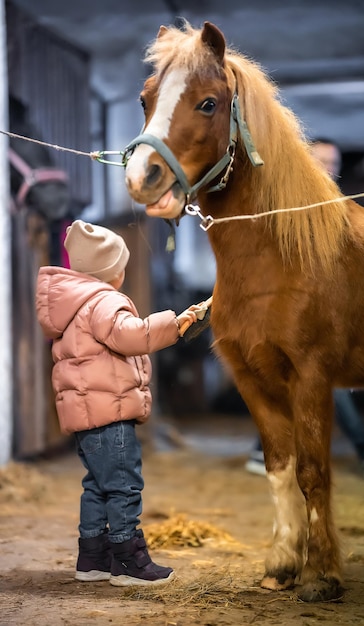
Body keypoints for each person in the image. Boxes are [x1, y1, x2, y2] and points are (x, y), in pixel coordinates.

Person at [36, 219, 198, 586]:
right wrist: (173, 324)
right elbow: (131, 336)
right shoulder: (104, 301)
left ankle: (92, 557)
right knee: (124, 484)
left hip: (87, 414)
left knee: (97, 483)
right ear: (112, 272)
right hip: (108, 414)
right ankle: (128, 560)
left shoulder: (76, 304)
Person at [245, 138, 364, 480]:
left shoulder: (335, 207)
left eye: (334, 163)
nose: (330, 169)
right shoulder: (290, 208)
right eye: (323, 162)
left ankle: (263, 452)